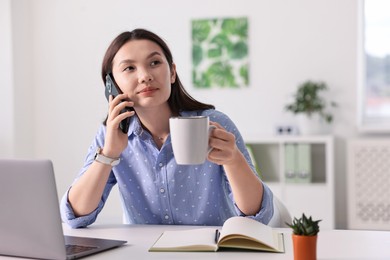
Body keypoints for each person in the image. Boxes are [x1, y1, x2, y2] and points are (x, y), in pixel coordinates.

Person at [60, 28, 274, 228]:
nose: (145, 76)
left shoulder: (215, 124)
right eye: (129, 68)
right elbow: (75, 216)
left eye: (154, 63)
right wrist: (108, 154)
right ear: (112, 85)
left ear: (172, 73)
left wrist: (233, 159)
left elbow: (258, 215)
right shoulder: (111, 134)